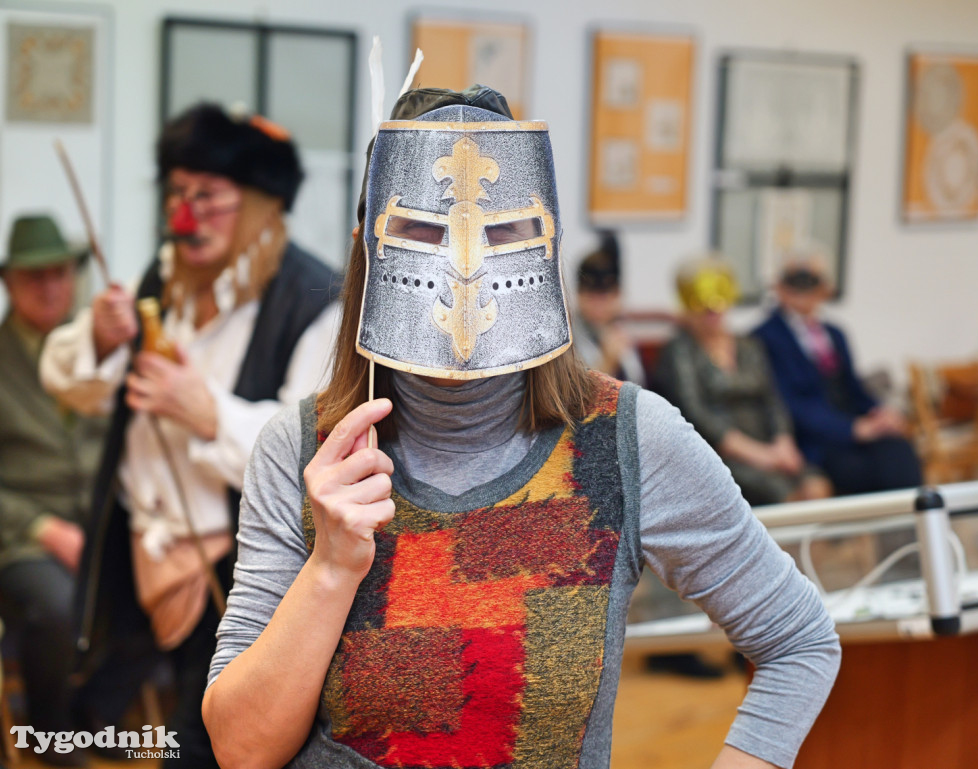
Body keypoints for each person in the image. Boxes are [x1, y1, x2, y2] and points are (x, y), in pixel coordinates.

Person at [203, 86, 840, 769]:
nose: (464, 267)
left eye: (501, 232)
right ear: (370, 249)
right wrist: (330, 568)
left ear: (543, 243)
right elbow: (242, 747)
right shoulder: (305, 451)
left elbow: (799, 640)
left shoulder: (624, 438)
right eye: (421, 231)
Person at [40, 103, 341, 768]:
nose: (185, 216)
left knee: (203, 743)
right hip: (139, 551)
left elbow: (316, 443)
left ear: (262, 204)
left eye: (209, 196)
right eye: (177, 193)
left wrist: (210, 414)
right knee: (85, 711)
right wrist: (98, 336)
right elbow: (73, 384)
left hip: (236, 569)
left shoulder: (316, 298)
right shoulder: (163, 279)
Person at [0, 215, 105, 767]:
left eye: (59, 273)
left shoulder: (96, 351)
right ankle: (49, 730)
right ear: (9, 283)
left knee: (164, 583)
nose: (49, 287)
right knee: (57, 605)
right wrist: (44, 530)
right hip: (21, 537)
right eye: (34, 276)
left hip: (99, 523)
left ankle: (98, 711)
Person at [654, 260, 831, 507]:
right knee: (782, 495)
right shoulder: (679, 352)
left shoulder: (749, 346)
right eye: (705, 308)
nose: (713, 313)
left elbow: (772, 399)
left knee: (816, 486)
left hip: (769, 445)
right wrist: (759, 455)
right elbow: (695, 413)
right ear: (689, 309)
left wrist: (783, 441)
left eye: (719, 306)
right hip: (720, 456)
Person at [753, 255, 922, 495]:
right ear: (779, 288)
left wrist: (879, 413)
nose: (803, 290)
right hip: (815, 438)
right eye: (795, 281)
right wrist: (852, 429)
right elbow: (785, 402)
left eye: (811, 281)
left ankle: (910, 528)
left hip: (854, 425)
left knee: (899, 451)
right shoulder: (764, 337)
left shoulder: (835, 333)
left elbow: (854, 388)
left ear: (825, 289)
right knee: (858, 471)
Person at [573, 231, 646, 384]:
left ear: (617, 294)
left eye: (606, 294)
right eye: (592, 294)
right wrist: (607, 362)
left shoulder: (622, 330)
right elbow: (575, 401)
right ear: (579, 294)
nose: (599, 303)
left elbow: (643, 386)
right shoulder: (568, 339)